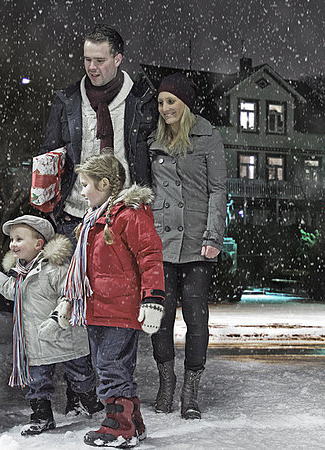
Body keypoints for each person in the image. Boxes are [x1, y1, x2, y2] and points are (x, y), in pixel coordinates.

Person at [60, 153, 165, 448]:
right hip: (98, 308)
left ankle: (119, 427)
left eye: (85, 185)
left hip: (120, 309)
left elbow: (150, 256)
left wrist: (153, 299)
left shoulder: (128, 216)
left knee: (109, 366)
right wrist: (68, 300)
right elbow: (79, 268)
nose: (81, 192)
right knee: (113, 366)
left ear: (105, 184)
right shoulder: (93, 221)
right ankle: (133, 422)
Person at [0, 215, 103, 436]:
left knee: (80, 374)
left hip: (65, 336)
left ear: (38, 244)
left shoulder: (56, 268)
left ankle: (89, 401)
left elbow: (69, 295)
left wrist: (56, 320)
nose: (13, 244)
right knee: (37, 382)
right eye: (12, 239)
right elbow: (11, 290)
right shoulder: (20, 272)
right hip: (36, 340)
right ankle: (42, 417)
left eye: (19, 239)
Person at [148, 72, 227, 419]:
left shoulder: (208, 137)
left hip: (197, 242)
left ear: (185, 104)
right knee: (159, 318)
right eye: (162, 102)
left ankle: (190, 391)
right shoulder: (151, 140)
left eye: (171, 102)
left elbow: (218, 190)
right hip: (161, 242)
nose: (165, 108)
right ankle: (166, 383)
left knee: (197, 319)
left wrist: (213, 237)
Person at [40, 24, 158, 240]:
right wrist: (48, 212)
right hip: (73, 219)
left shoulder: (143, 101)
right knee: (70, 276)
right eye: (87, 59)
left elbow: (157, 162)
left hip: (125, 218)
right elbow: (48, 157)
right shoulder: (67, 101)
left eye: (99, 61)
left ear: (118, 59)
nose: (91, 67)